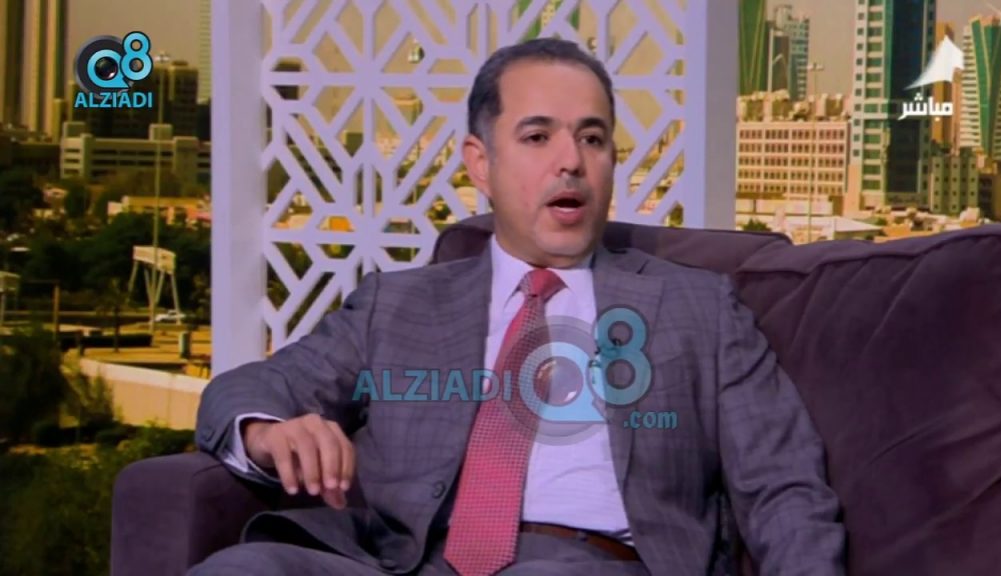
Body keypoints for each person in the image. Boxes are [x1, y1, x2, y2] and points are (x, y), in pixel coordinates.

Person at [189, 37, 846, 576]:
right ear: (481, 163)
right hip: (403, 562)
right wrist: (266, 432)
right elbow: (250, 388)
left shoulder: (699, 307)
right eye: (537, 137)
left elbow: (783, 486)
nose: (571, 161)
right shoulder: (397, 303)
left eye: (592, 139)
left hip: (587, 563)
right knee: (243, 569)